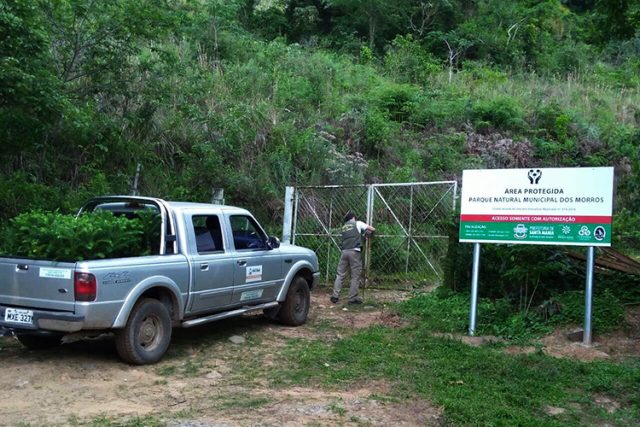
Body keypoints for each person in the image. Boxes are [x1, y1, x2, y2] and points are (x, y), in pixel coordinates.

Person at [331, 212, 375, 305]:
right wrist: (366, 234)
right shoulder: (358, 223)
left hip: (344, 252)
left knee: (340, 274)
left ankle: (335, 296)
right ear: (354, 217)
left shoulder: (343, 227)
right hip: (354, 252)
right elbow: (372, 229)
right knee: (355, 275)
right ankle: (352, 298)